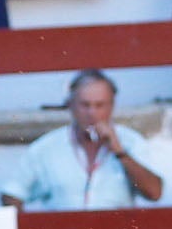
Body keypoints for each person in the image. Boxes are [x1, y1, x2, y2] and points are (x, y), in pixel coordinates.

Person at [10, 67, 160, 207]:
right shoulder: (46, 147)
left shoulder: (131, 141)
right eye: (85, 105)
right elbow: (12, 193)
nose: (92, 113)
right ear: (71, 105)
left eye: (99, 105)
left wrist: (119, 152)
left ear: (112, 106)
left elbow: (155, 193)